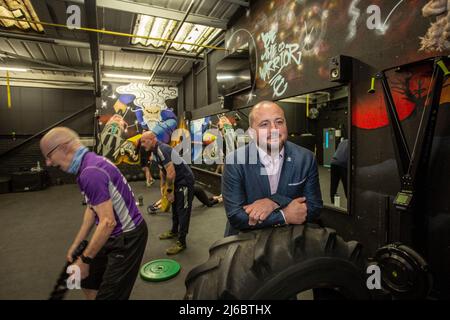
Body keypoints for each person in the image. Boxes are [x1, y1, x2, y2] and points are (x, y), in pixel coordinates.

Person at [40, 127, 148, 300]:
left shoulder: (91, 172)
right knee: (87, 281)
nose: (48, 163)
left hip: (127, 239)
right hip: (111, 235)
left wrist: (85, 260)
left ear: (64, 148)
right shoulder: (88, 164)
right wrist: (77, 244)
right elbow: (92, 209)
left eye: (48, 155)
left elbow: (107, 222)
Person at [222, 101, 323, 236]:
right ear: (251, 133)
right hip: (247, 241)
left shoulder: (306, 158)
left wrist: (274, 202)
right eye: (264, 124)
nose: (274, 129)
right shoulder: (234, 161)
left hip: (290, 239)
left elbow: (314, 207)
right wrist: (284, 215)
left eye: (279, 122)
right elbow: (237, 217)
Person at [140, 131, 195, 255]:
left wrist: (169, 191)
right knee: (175, 207)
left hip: (184, 181)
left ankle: (181, 242)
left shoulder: (162, 149)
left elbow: (171, 173)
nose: (142, 145)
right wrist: (163, 186)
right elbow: (162, 170)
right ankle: (174, 231)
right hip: (175, 181)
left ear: (152, 139)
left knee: (183, 211)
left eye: (144, 141)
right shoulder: (154, 152)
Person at [147, 185, 222, 213]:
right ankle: (219, 196)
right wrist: (155, 205)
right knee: (206, 201)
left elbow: (166, 202)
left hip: (197, 190)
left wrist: (156, 208)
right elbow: (164, 199)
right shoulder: (171, 193)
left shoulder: (174, 195)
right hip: (194, 190)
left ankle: (223, 198)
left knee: (208, 204)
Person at [330, 138, 348, 204]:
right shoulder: (352, 143)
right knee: (347, 184)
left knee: (334, 183)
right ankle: (349, 201)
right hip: (343, 164)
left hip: (334, 162)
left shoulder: (342, 142)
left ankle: (333, 201)